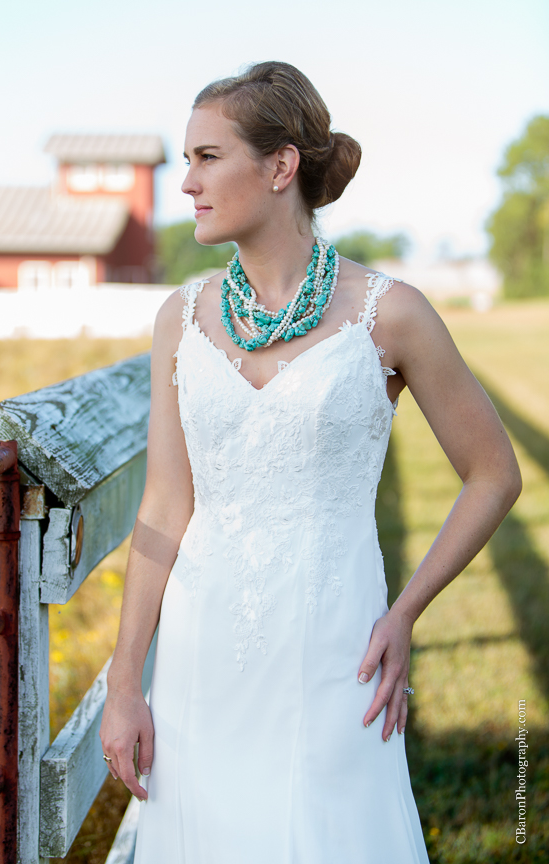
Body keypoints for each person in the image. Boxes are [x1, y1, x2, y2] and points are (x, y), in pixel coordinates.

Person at [100, 61, 521, 864]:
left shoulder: (388, 312)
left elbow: (494, 473)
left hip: (335, 645)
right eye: (186, 160)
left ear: (281, 165)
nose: (185, 182)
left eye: (206, 157)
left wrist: (406, 614)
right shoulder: (178, 317)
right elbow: (162, 510)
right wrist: (125, 682)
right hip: (198, 657)